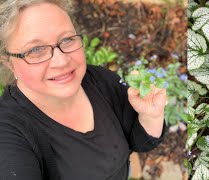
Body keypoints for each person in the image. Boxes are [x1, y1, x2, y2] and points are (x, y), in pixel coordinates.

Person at [0, 0, 167, 179]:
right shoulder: (9, 135)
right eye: (36, 50)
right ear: (8, 63)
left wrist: (150, 116)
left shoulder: (102, 81)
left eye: (67, 39)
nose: (62, 61)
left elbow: (140, 143)